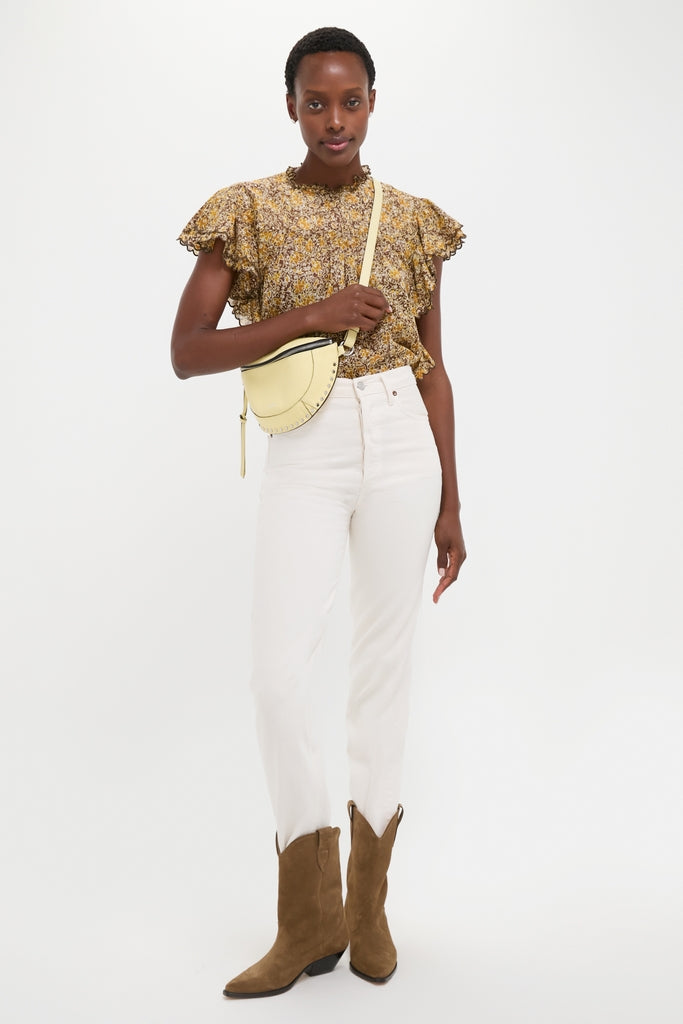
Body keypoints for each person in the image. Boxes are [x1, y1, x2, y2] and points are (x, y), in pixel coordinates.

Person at [171, 26, 466, 999]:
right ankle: (308, 917)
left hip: (401, 441)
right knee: (275, 677)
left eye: (349, 101)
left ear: (371, 103)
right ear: (290, 106)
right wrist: (306, 315)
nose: (332, 119)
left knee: (381, 671)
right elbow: (187, 348)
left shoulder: (415, 220)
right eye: (314, 102)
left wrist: (451, 500)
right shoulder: (247, 212)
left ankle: (367, 908)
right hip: (307, 442)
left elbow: (435, 366)